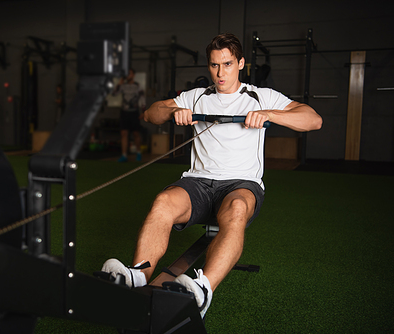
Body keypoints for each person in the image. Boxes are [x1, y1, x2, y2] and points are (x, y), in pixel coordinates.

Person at [101, 33, 322, 317]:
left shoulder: (260, 96)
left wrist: (270, 114)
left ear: (241, 63)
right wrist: (173, 111)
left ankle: (202, 290)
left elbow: (313, 120)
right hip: (198, 183)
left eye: (228, 64)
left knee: (238, 209)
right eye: (214, 65)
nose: (221, 73)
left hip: (240, 185)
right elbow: (149, 114)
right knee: (163, 202)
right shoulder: (198, 96)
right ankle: (138, 274)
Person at [112, 68, 145, 162]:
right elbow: (114, 93)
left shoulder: (137, 86)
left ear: (133, 75)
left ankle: (138, 153)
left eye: (129, 74)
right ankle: (124, 155)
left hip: (134, 112)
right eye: (127, 74)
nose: (128, 75)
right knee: (123, 133)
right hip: (124, 112)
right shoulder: (123, 85)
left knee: (136, 133)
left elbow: (142, 98)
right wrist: (120, 83)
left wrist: (143, 111)